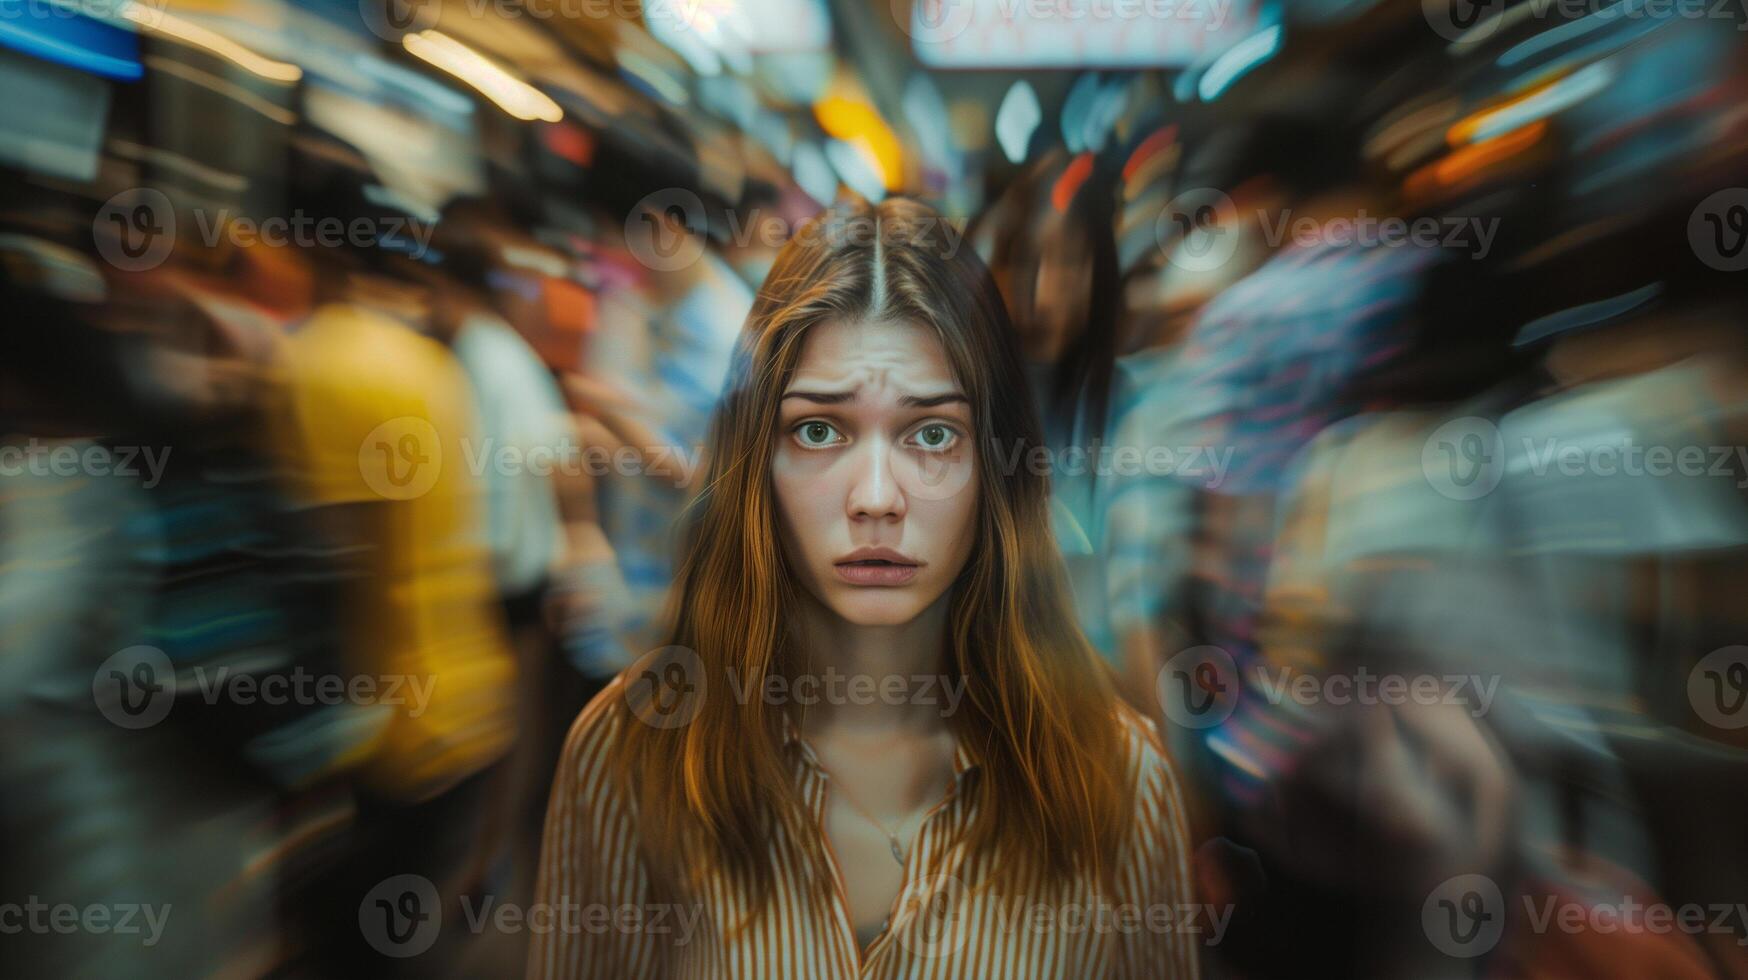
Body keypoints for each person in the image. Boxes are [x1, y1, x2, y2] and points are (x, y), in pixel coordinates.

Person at [529, 198, 1201, 978]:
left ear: (997, 466)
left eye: (932, 434)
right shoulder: (630, 757)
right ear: (755, 460)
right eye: (819, 430)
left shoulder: (1115, 779)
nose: (876, 497)